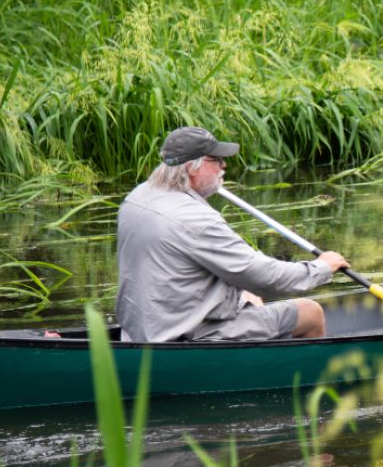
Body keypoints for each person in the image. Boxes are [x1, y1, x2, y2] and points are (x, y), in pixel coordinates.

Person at [115, 126, 348, 343]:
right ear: (190, 168)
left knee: (247, 294)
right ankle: (306, 385)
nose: (223, 166)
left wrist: (243, 294)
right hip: (188, 334)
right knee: (310, 312)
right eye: (216, 160)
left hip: (141, 331)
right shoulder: (196, 219)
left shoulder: (137, 197)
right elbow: (264, 277)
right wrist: (321, 268)